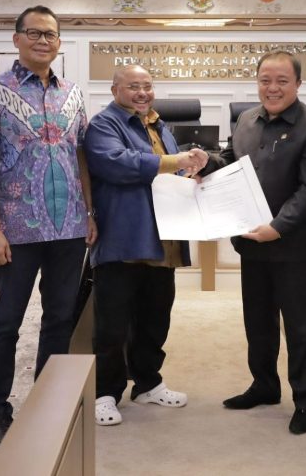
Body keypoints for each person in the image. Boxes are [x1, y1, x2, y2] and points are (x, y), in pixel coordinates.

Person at [0, 5, 96, 447]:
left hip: (69, 230)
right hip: (16, 231)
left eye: (51, 35)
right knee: (7, 320)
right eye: (35, 33)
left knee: (60, 320)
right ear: (17, 39)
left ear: (59, 43)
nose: (44, 41)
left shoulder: (73, 95)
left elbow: (81, 158)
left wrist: (90, 213)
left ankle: (47, 401)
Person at [202, 50, 306, 435]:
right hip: (252, 243)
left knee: (301, 328)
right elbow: (231, 160)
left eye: (281, 81)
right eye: (265, 80)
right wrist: (206, 163)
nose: (272, 88)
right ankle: (264, 385)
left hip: (295, 248)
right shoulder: (246, 119)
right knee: (258, 322)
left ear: (298, 84)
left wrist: (278, 227)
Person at [83, 64, 208, 426]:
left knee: (156, 318)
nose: (142, 93)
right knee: (112, 325)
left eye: (147, 86)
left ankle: (148, 383)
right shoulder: (104, 124)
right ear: (115, 90)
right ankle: (105, 393)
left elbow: (171, 173)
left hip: (162, 240)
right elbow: (117, 164)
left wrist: (191, 169)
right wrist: (174, 161)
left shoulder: (159, 125)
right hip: (123, 238)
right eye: (133, 86)